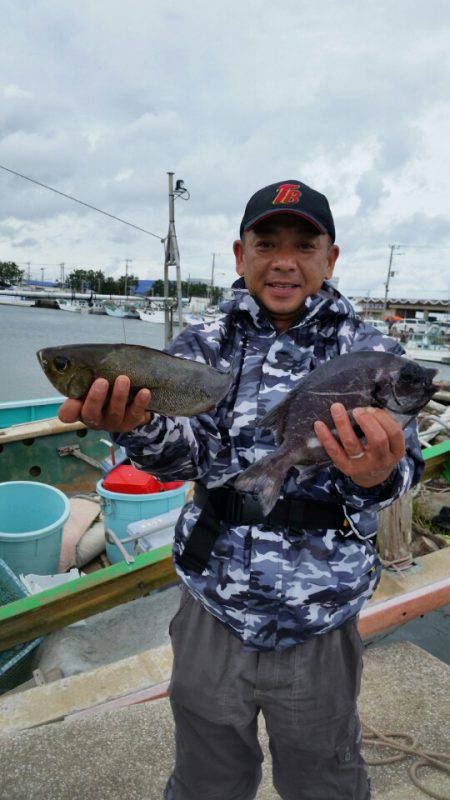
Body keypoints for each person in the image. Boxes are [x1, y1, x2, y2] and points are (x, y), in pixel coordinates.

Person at [59, 180, 423, 800]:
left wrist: (377, 473)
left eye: (304, 245)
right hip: (212, 605)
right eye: (267, 243)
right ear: (239, 254)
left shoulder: (372, 351)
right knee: (207, 778)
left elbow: (402, 470)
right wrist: (139, 427)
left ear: (330, 258)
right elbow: (183, 457)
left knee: (325, 780)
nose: (284, 260)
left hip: (321, 614)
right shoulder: (201, 346)